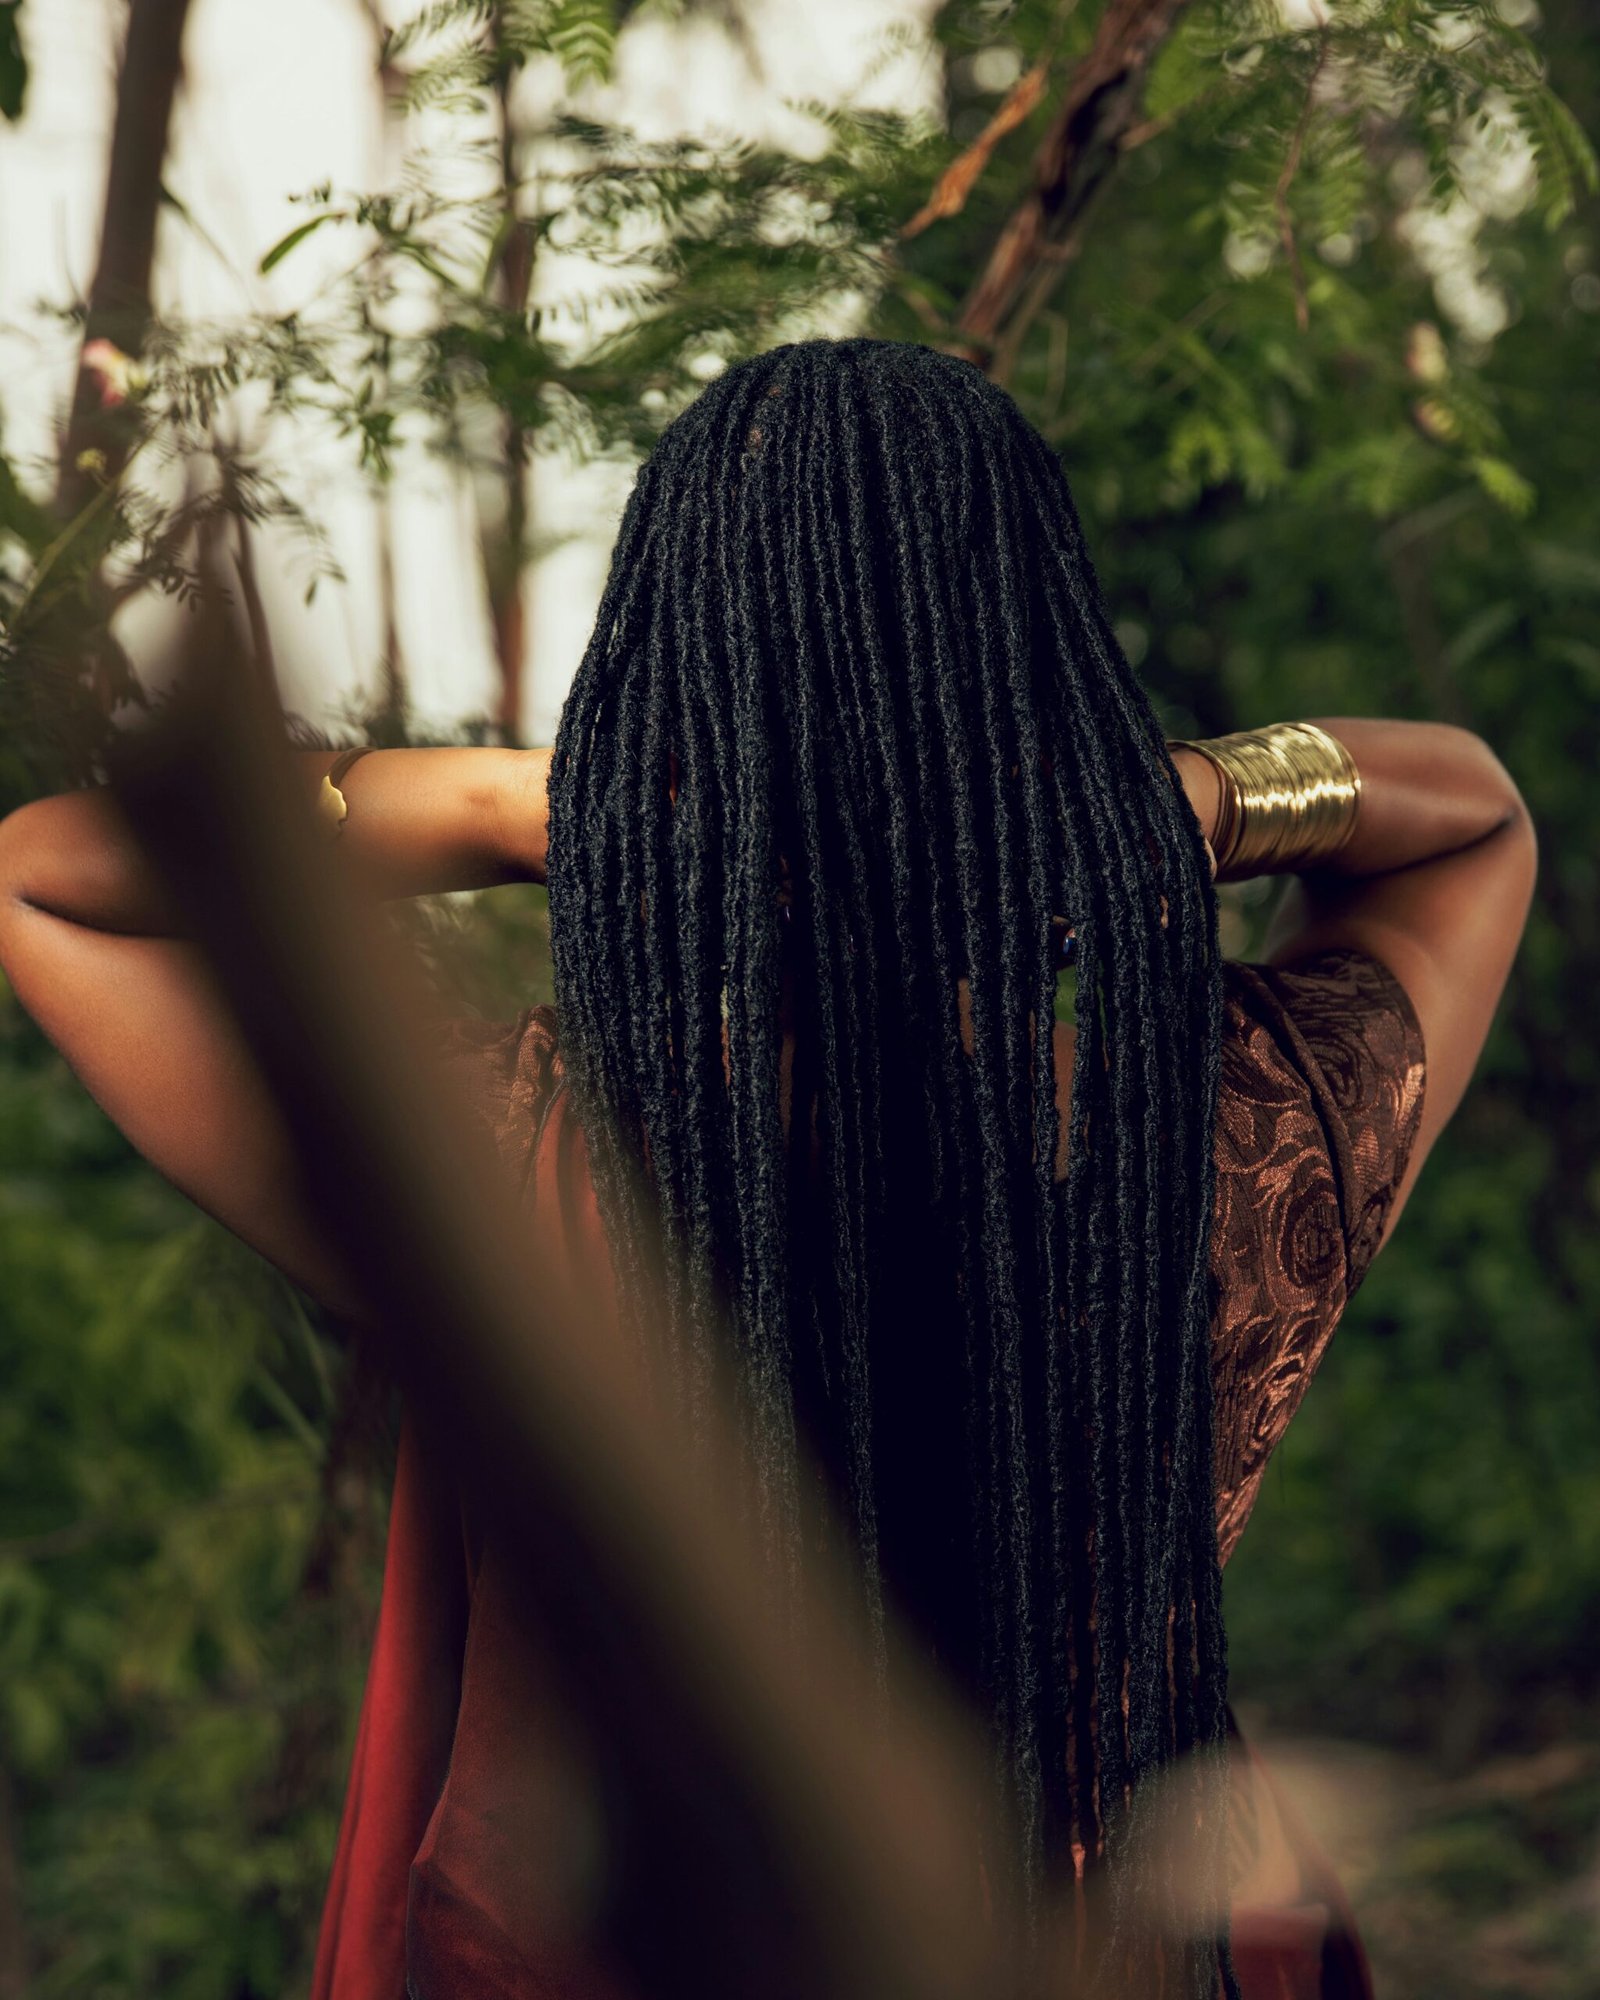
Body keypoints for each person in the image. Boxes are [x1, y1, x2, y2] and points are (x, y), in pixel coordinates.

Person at [0, 339, 1535, 1998]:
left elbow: (46, 879)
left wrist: (538, 808)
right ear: (1047, 695)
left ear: (665, 704)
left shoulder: (529, 1166)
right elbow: (1472, 820)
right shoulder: (1222, 1149)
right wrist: (1172, 803)